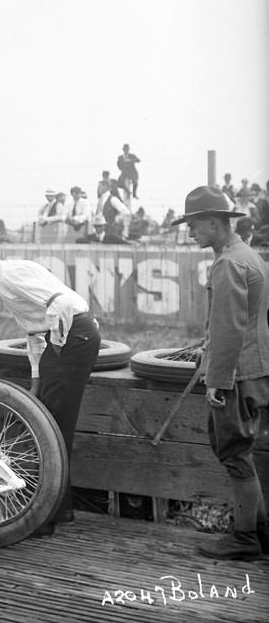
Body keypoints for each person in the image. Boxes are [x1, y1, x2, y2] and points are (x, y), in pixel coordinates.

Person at [0, 234, 100, 537]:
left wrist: (58, 346)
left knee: (54, 431)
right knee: (51, 429)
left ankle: (48, 515)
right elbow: (35, 335)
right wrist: (37, 379)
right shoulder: (5, 283)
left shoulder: (12, 274)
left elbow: (65, 303)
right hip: (65, 343)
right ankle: (58, 510)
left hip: (71, 340)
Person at [171, 186, 269, 560]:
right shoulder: (250, 256)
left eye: (195, 225)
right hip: (256, 369)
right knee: (242, 452)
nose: (191, 232)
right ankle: (258, 532)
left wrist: (216, 381)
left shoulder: (228, 263)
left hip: (237, 374)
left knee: (235, 453)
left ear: (215, 223)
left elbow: (230, 329)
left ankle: (245, 538)